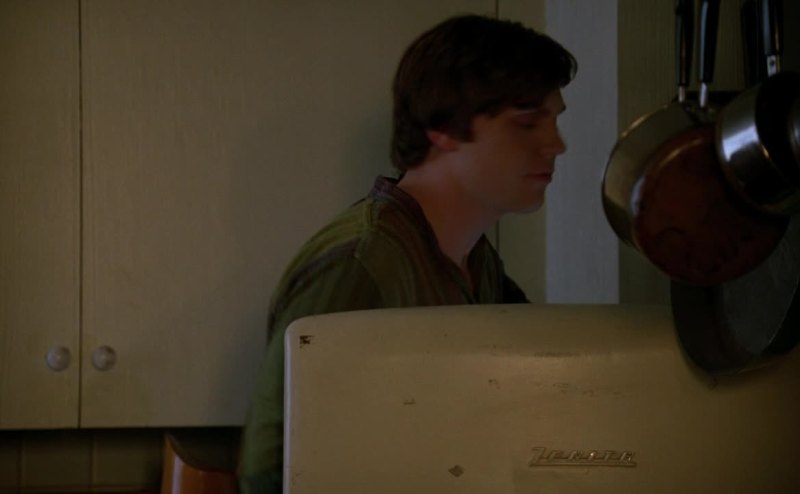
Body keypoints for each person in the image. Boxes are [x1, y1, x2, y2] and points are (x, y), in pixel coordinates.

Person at [238, 13, 576, 492]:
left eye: (555, 120)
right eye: (526, 123)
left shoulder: (478, 260)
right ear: (443, 127)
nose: (556, 144)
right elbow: (268, 470)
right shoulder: (361, 263)